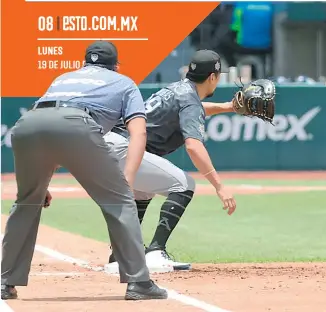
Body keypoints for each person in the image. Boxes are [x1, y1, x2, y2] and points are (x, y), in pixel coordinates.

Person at [1, 41, 167, 300]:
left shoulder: (63, 77)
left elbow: (50, 127)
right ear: (116, 65)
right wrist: (128, 180)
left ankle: (4, 282)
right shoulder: (123, 82)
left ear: (85, 63)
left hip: (27, 124)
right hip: (77, 124)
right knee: (120, 201)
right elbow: (139, 132)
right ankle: (139, 282)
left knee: (26, 202)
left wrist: (41, 185)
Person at [103, 49, 276, 273]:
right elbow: (193, 146)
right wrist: (219, 187)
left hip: (111, 145)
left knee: (143, 192)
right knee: (184, 185)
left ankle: (120, 254)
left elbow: (195, 109)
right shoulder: (189, 99)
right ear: (213, 77)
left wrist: (229, 107)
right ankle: (156, 252)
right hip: (124, 148)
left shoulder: (178, 90)